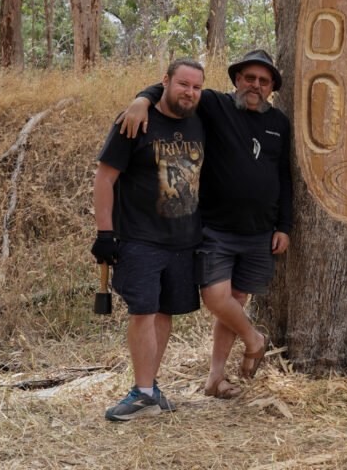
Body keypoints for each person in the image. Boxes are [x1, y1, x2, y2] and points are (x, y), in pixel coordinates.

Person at [117, 49, 292, 399]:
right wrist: (141, 100)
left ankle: (215, 378)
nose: (255, 85)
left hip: (260, 231)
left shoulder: (279, 123)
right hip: (215, 228)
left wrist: (284, 225)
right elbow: (177, 88)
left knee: (236, 301)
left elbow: (284, 176)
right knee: (216, 297)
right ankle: (254, 339)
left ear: (272, 87)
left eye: (264, 81)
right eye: (249, 78)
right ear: (237, 79)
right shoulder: (216, 105)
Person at [91, 58, 206, 421]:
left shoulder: (201, 119)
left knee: (164, 311)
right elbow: (104, 178)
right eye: (183, 84)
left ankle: (149, 389)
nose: (189, 92)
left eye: (196, 87)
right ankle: (141, 393)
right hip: (139, 238)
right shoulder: (134, 121)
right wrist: (105, 233)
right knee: (143, 310)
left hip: (184, 240)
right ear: (165, 82)